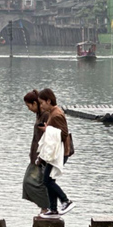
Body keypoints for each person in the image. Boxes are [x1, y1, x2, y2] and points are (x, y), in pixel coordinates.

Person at [37, 88, 75, 218]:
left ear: (48, 101)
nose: (41, 106)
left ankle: (65, 201)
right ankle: (53, 210)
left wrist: (48, 128)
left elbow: (64, 133)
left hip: (60, 152)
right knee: (49, 179)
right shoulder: (52, 113)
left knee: (47, 180)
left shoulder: (57, 114)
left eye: (42, 103)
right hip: (57, 152)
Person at [22, 90, 51, 213]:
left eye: (29, 106)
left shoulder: (45, 115)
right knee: (29, 182)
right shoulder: (39, 114)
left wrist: (41, 156)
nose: (29, 109)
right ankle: (45, 207)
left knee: (36, 183)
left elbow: (48, 136)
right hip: (35, 156)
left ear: (35, 103)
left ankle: (46, 208)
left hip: (42, 157)